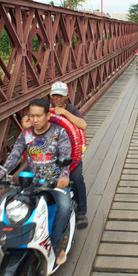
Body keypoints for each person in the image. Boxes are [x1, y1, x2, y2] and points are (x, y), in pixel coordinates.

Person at [0, 98, 73, 263]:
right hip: (32, 181)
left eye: (39, 116)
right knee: (3, 202)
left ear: (48, 115)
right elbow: (15, 155)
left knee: (64, 207)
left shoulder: (60, 132)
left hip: (54, 181)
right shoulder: (26, 134)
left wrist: (64, 175)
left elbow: (65, 156)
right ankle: (17, 238)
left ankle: (56, 243)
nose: (34, 120)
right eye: (32, 116)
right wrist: (0, 173)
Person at [48, 81, 89, 229]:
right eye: (55, 96)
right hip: (49, 152)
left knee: (77, 178)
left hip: (72, 153)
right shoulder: (46, 110)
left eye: (61, 96)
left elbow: (83, 125)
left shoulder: (71, 109)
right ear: (51, 96)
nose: (58, 99)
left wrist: (64, 113)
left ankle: (81, 212)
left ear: (66, 97)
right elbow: (29, 122)